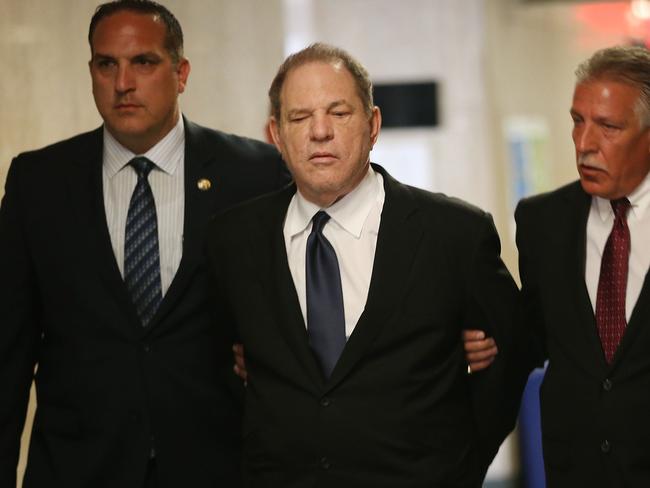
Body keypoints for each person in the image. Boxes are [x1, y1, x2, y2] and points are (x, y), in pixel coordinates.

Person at [206, 43, 527, 487]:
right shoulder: (233, 240)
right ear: (276, 135)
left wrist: (463, 461)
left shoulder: (454, 234)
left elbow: (511, 357)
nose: (320, 131)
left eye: (339, 113)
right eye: (300, 118)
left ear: (373, 125)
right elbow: (215, 359)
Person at [0, 1, 288, 487]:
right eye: (106, 64)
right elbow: (8, 350)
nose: (122, 83)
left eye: (144, 62)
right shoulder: (39, 183)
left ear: (181, 73)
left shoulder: (255, 174)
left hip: (219, 466)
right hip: (79, 468)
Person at [466, 45, 650, 487]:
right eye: (577, 121)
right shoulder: (542, 221)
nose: (584, 144)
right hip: (576, 471)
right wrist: (487, 342)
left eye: (608, 126)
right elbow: (535, 336)